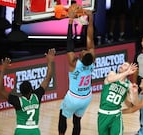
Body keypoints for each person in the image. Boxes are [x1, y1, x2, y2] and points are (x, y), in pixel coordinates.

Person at [0, 48, 56, 135]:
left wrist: (3, 70)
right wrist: (50, 61)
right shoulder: (37, 96)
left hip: (21, 130)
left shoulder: (18, 101)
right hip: (34, 130)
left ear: (20, 92)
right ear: (32, 90)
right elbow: (48, 78)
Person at [58, 7, 95, 135]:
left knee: (62, 115)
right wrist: (90, 19)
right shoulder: (91, 61)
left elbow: (69, 44)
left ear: (81, 57)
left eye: (84, 52)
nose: (83, 50)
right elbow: (90, 37)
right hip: (87, 97)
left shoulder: (74, 64)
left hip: (74, 97)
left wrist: (70, 20)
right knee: (77, 121)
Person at [97, 62, 138, 135]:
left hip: (116, 115)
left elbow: (135, 103)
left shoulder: (128, 84)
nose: (121, 65)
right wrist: (127, 72)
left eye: (125, 65)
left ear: (129, 69)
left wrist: (134, 93)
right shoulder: (112, 74)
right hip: (103, 113)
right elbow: (110, 79)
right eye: (122, 64)